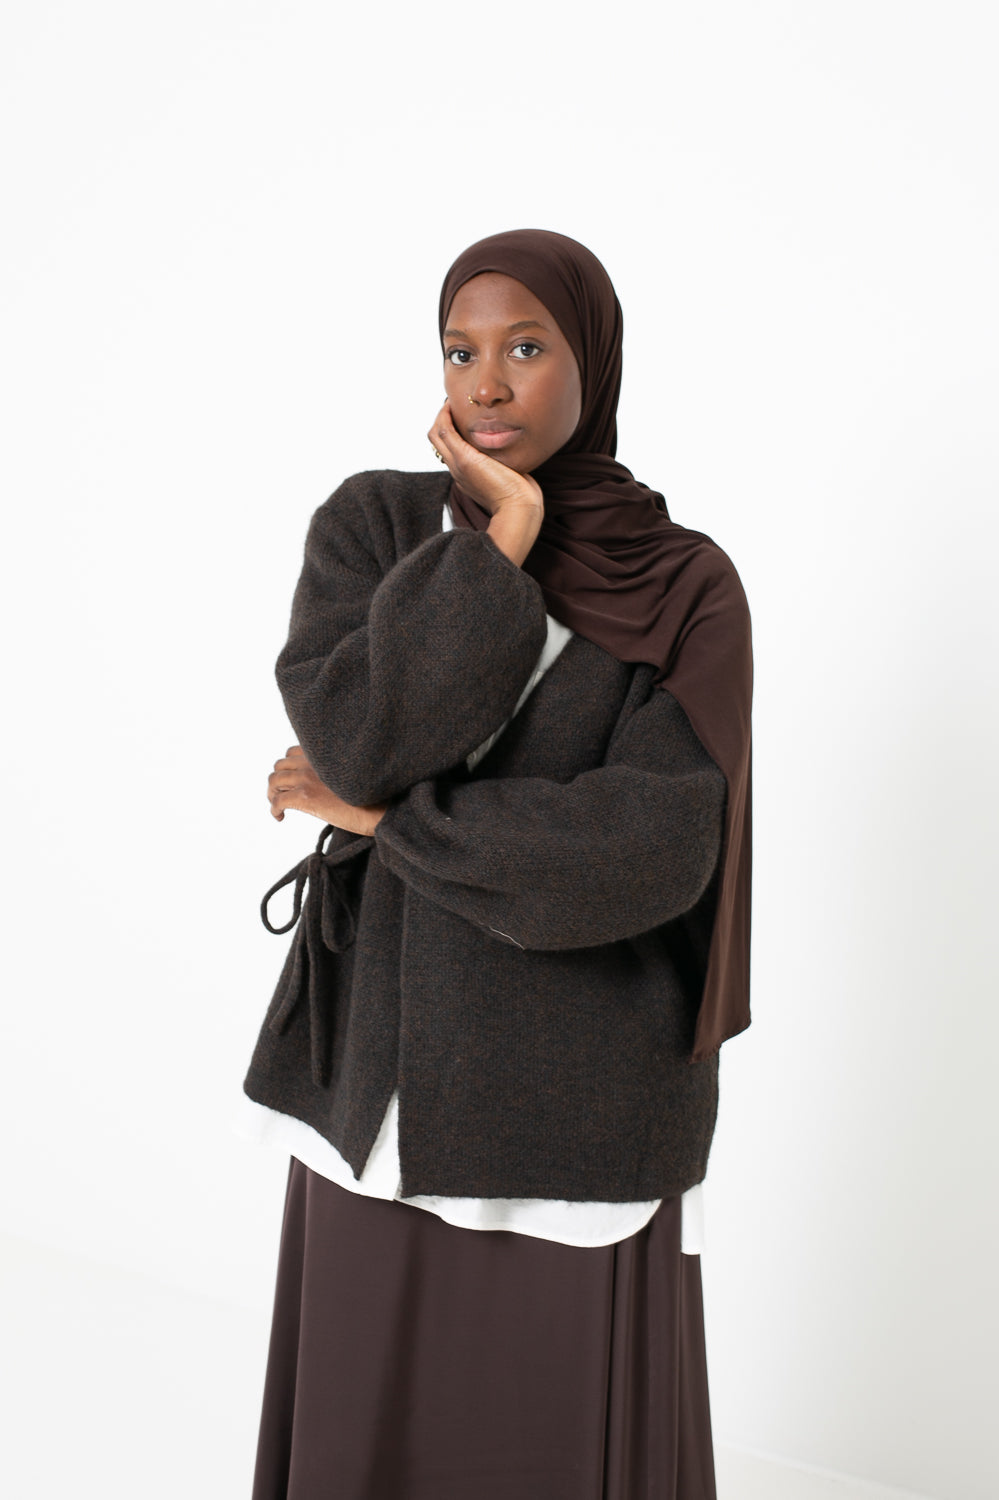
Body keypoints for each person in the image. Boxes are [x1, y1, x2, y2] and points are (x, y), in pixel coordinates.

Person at [238, 228, 753, 1500]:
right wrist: (499, 542)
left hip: (582, 1093)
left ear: (594, 360)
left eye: (526, 347)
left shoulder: (684, 585)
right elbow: (361, 741)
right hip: (384, 1076)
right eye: (460, 351)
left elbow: (644, 853)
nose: (486, 382)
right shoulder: (376, 525)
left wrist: (389, 826)